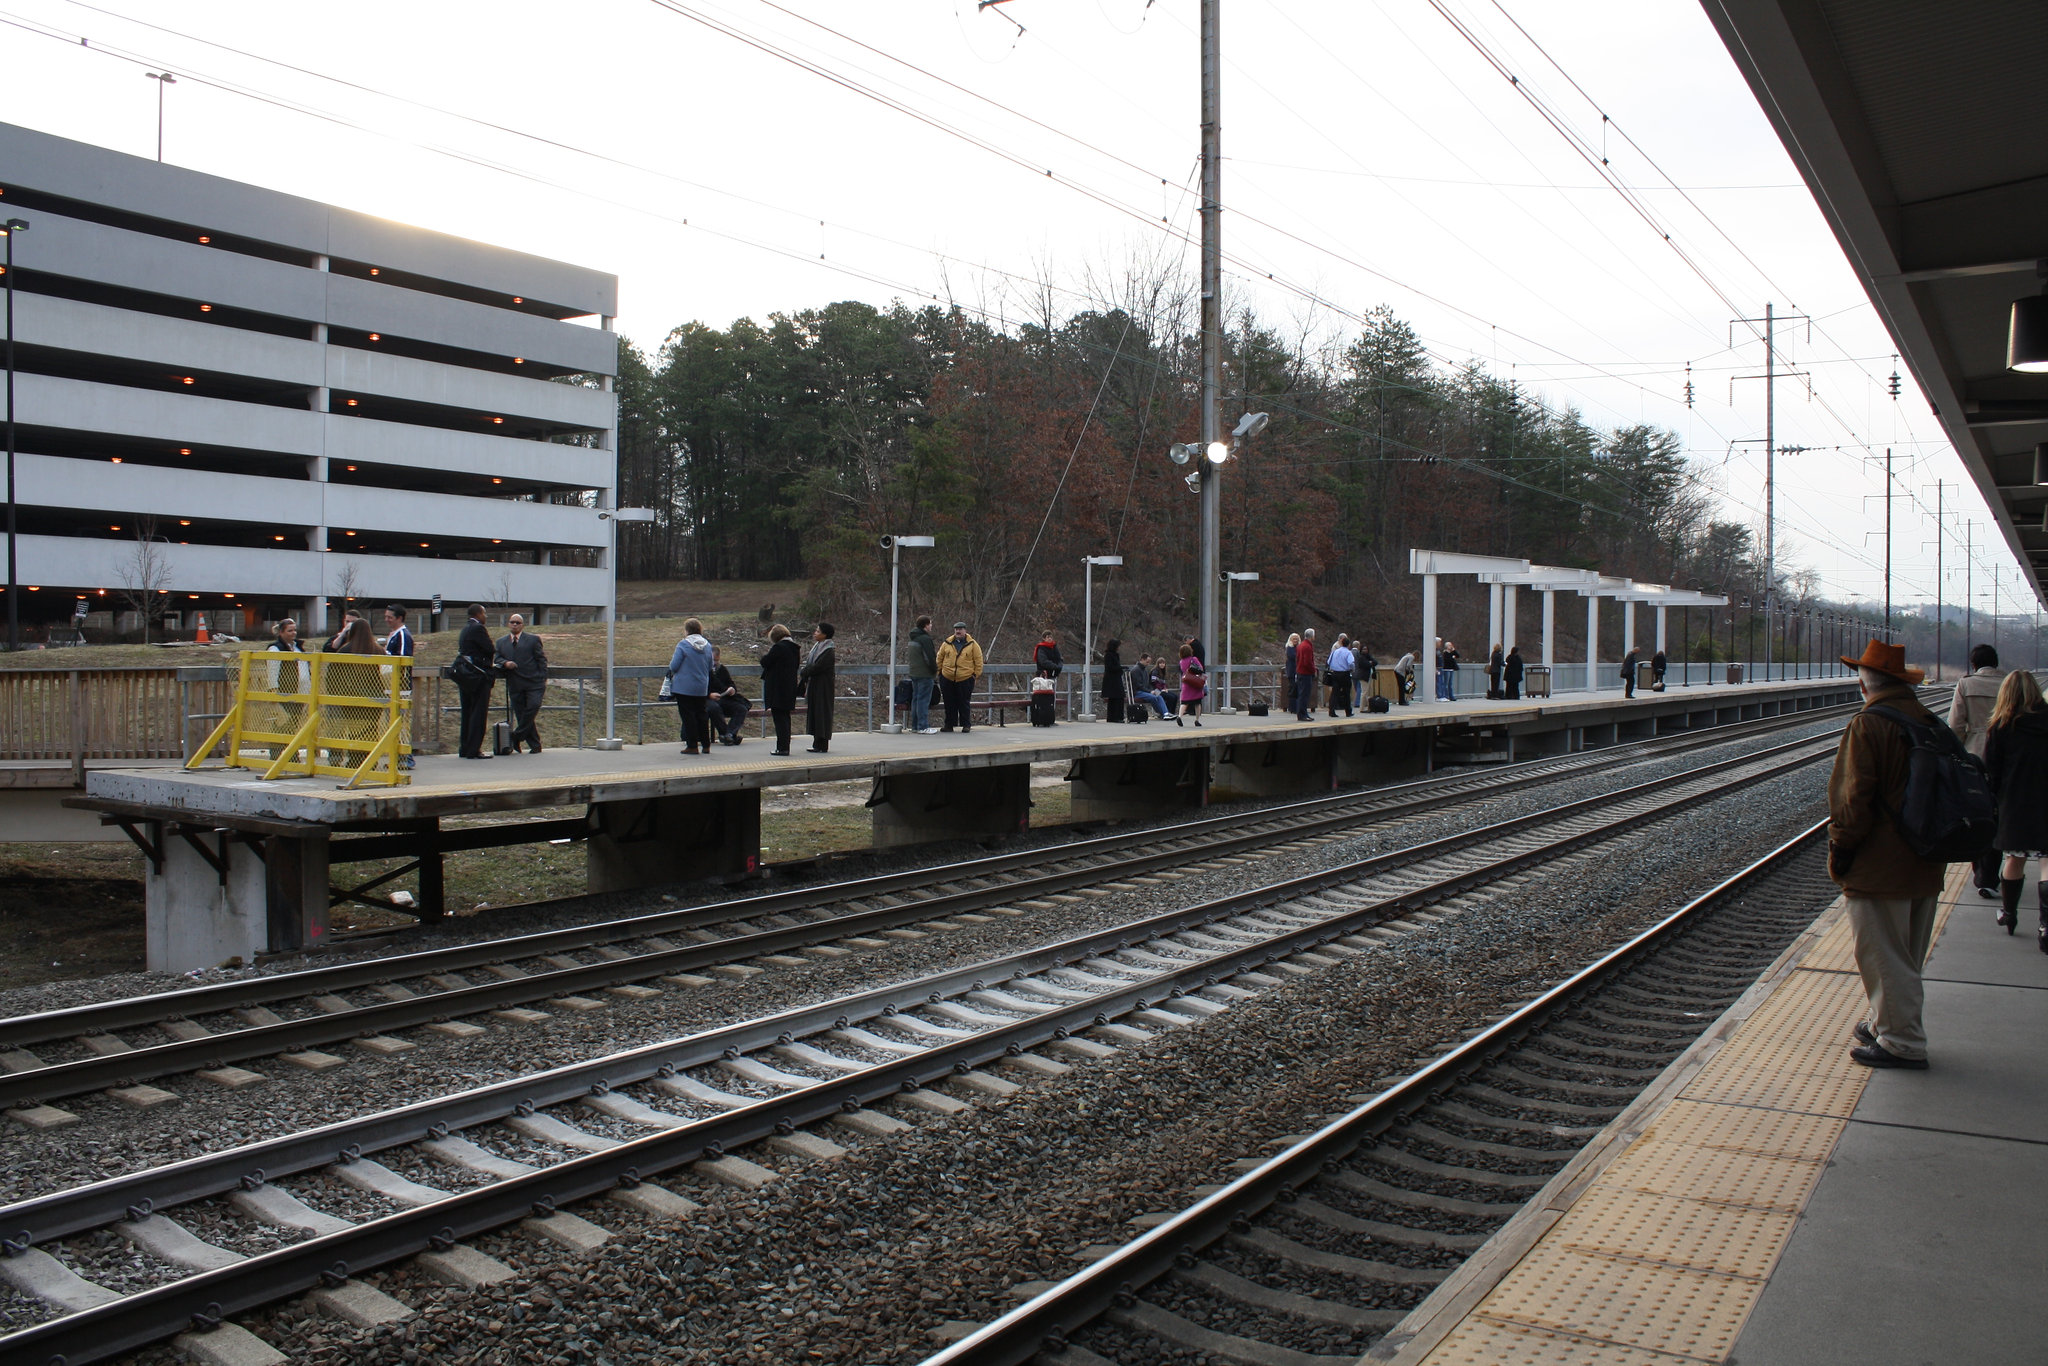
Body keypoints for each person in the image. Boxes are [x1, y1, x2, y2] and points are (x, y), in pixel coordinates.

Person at [1827, 639, 1939, 1069]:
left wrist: (1841, 850)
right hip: (1926, 858)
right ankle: (1883, 1024)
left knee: (1883, 956)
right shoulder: (1927, 719)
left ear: (1863, 682)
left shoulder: (1869, 724)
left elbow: (1852, 802)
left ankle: (1902, 1043)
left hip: (1881, 865)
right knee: (1906, 953)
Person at [1983, 669, 2048, 948]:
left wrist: (1994, 801)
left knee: (2014, 859)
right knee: (2047, 861)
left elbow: (1991, 772)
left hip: (2015, 801)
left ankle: (2009, 913)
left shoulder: (2000, 727)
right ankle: (2046, 927)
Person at [1949, 643, 2006, 900]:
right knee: (1998, 813)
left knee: (1977, 811)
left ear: (1973, 665)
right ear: (1995, 663)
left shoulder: (1965, 684)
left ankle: (1979, 870)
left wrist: (1956, 756)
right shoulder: (2008, 683)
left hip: (1974, 754)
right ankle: (1991, 875)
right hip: (2005, 756)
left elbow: (1956, 725)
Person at [495, 613, 548, 754]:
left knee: (533, 707)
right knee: (522, 714)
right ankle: (535, 745)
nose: (515, 624)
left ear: (522, 625)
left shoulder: (533, 640)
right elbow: (497, 658)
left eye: (518, 622)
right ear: (508, 624)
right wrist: (505, 663)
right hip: (515, 683)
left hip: (534, 683)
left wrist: (542, 678)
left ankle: (516, 736)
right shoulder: (501, 642)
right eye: (512, 622)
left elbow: (541, 659)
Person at [454, 604, 496, 760]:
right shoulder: (478, 629)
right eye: (484, 613)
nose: (486, 616)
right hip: (478, 676)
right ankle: (474, 749)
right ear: (478, 614)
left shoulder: (465, 629)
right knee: (478, 713)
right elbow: (490, 649)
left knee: (467, 712)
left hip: (466, 676)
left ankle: (464, 747)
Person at [666, 618, 714, 755]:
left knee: (688, 716)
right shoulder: (708, 645)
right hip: (701, 687)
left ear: (687, 630)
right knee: (702, 715)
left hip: (684, 687)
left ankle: (692, 745)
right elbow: (711, 666)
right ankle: (706, 745)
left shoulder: (683, 645)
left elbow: (674, 665)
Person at [759, 623, 800, 756]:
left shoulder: (779, 647)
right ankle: (784, 746)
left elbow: (765, 662)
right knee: (785, 718)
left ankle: (782, 748)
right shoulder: (794, 648)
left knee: (779, 719)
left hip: (778, 689)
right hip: (789, 687)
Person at [937, 621, 984, 733]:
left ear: (965, 630)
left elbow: (978, 661)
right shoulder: (946, 643)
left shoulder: (973, 645)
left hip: (965, 678)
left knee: (964, 702)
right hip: (947, 678)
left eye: (960, 629)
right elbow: (939, 658)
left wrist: (974, 676)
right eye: (956, 629)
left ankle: (966, 725)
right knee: (949, 702)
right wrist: (940, 673)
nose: (958, 631)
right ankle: (949, 725)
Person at [800, 622, 837, 753]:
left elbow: (818, 666)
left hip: (823, 686)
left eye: (817, 631)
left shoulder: (828, 650)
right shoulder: (818, 647)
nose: (815, 633)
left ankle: (822, 743)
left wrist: (805, 671)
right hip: (815, 685)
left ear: (824, 634)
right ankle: (817, 743)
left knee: (822, 713)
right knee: (816, 712)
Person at [705, 644, 752, 746]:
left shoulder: (721, 669)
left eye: (717, 660)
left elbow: (730, 683)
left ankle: (729, 734)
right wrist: (709, 695)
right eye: (713, 660)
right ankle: (728, 735)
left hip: (723, 698)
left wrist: (732, 689)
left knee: (741, 709)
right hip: (708, 699)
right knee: (714, 708)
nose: (715, 663)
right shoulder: (703, 670)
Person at [907, 614, 939, 735]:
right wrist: (934, 670)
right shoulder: (925, 639)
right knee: (923, 700)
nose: (931, 626)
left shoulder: (913, 638)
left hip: (914, 673)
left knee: (916, 699)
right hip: (925, 674)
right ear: (926, 625)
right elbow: (929, 657)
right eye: (930, 624)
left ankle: (915, 726)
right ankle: (923, 726)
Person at [1175, 644, 1206, 727]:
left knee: (1184, 702)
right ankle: (1197, 720)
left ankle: (1179, 716)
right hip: (1195, 682)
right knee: (1197, 702)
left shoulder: (1181, 662)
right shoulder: (1194, 659)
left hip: (1186, 682)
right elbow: (1200, 668)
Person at [1130, 653, 1169, 718]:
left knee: (1159, 695)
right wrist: (1150, 691)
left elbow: (1148, 683)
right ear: (1142, 659)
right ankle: (1162, 713)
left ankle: (1166, 713)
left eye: (1149, 662)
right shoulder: (1136, 670)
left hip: (1145, 691)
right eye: (1147, 662)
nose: (1148, 664)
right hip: (1138, 692)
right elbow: (1138, 685)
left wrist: (1152, 690)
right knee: (1154, 697)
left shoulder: (1144, 670)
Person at [1326, 634, 1355, 717]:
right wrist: (1352, 670)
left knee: (1334, 693)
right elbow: (1351, 663)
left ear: (1341, 643)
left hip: (1335, 673)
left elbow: (1328, 662)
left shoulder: (1335, 652)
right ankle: (1348, 711)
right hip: (1345, 674)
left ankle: (1331, 711)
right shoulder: (1348, 653)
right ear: (1349, 645)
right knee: (1346, 693)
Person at [1293, 628, 1317, 721]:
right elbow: (1307, 661)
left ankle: (1302, 713)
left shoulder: (1300, 645)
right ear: (1312, 636)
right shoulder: (1307, 646)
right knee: (1305, 694)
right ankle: (1302, 714)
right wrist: (1313, 670)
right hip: (1305, 673)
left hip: (1300, 672)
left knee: (1301, 694)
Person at [1101, 637, 1125, 723]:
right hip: (1111, 679)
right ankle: (1114, 717)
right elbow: (1110, 667)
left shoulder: (1115, 655)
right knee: (1116, 697)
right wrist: (1120, 668)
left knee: (1117, 698)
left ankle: (1116, 716)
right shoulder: (1108, 655)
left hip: (1115, 678)